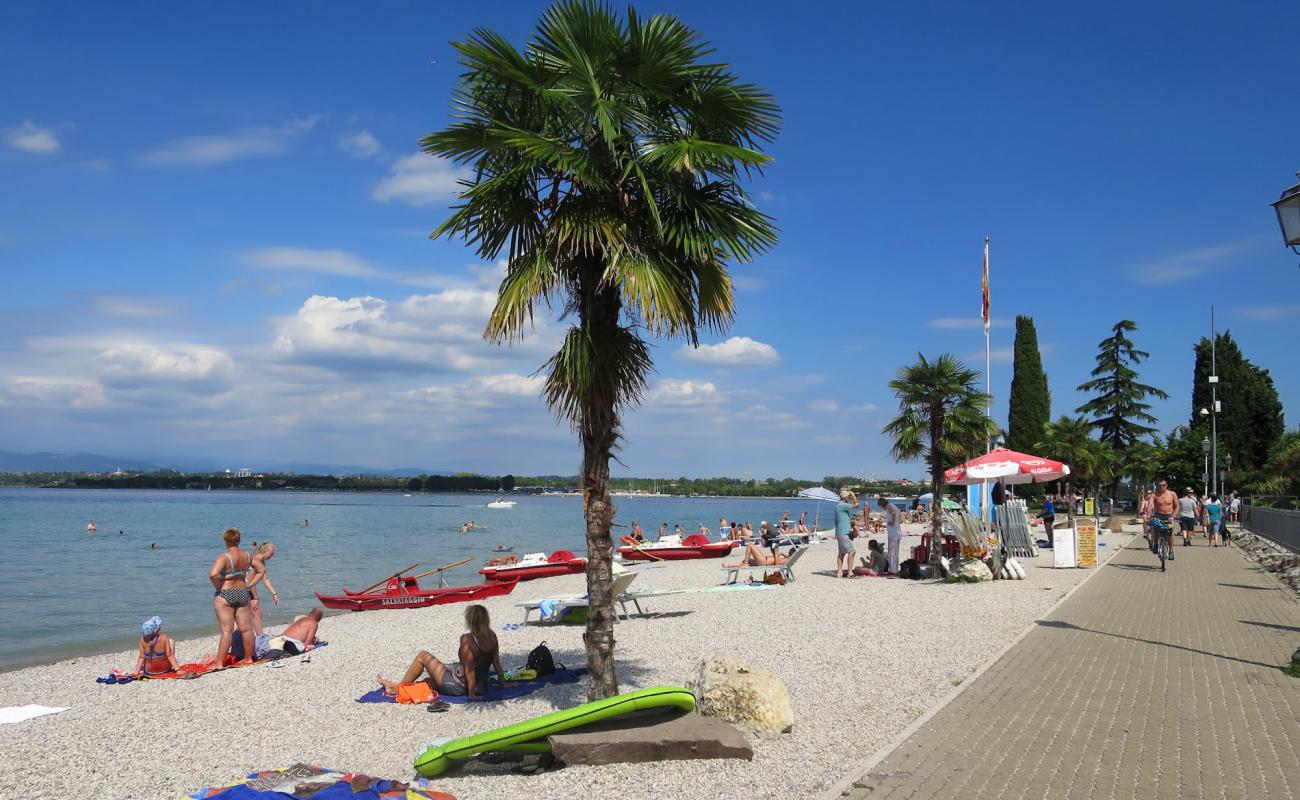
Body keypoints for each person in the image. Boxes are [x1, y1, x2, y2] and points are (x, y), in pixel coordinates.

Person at [375, 605, 512, 700]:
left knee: (422, 655)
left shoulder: (468, 640)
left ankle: (400, 688)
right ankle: (393, 687)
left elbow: (469, 670)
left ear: (470, 620)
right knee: (428, 681)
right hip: (480, 686)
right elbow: (496, 663)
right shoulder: (492, 636)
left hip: (459, 686)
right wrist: (504, 683)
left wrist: (471, 695)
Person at [208, 527, 264, 668]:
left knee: (227, 631)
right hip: (243, 592)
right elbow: (261, 570)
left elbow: (213, 574)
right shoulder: (247, 556)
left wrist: (218, 587)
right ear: (239, 540)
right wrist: (250, 584)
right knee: (246, 628)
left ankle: (219, 663)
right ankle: (248, 658)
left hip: (226, 593)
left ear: (225, 541)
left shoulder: (224, 557)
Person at [249, 542, 279, 636]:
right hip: (244, 589)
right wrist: (255, 598)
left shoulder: (262, 562)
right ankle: (260, 637)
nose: (271, 556)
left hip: (246, 589)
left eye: (273, 554)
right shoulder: (254, 560)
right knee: (257, 612)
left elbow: (265, 579)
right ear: (264, 551)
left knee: (252, 614)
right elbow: (250, 582)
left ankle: (259, 636)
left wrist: (274, 593)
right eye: (271, 554)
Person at [835, 489, 860, 578]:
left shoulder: (838, 506)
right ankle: (850, 572)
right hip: (843, 532)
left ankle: (839, 572)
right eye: (848, 497)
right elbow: (857, 504)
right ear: (845, 497)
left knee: (841, 553)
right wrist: (853, 495)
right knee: (852, 551)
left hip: (840, 532)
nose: (849, 498)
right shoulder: (842, 505)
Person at [1150, 480, 1178, 559]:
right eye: (1160, 485)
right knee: (1155, 529)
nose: (1161, 487)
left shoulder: (1172, 494)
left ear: (1166, 485)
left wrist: (1173, 516)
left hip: (1169, 515)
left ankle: (1171, 551)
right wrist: (1149, 514)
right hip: (1158, 515)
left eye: (1163, 485)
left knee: (1170, 533)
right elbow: (1150, 504)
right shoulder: (1155, 495)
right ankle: (1155, 544)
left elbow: (1177, 506)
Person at [878, 495, 903, 573]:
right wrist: (897, 522)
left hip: (893, 532)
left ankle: (892, 569)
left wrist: (892, 521)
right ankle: (894, 568)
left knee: (892, 551)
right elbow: (900, 514)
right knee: (896, 551)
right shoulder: (893, 506)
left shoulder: (889, 506)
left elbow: (893, 513)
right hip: (897, 530)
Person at [725, 541, 789, 567]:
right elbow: (775, 559)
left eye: (790, 551)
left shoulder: (787, 559)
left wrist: (775, 551)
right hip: (764, 560)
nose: (788, 552)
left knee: (750, 545)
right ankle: (729, 566)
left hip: (764, 561)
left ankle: (744, 564)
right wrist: (774, 551)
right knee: (747, 560)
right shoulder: (785, 557)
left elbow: (777, 564)